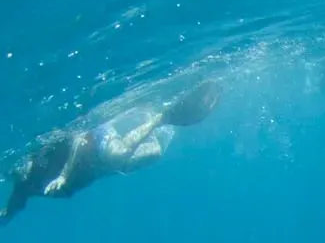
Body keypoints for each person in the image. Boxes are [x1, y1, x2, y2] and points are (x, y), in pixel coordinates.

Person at [0, 80, 222, 226]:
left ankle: (160, 118)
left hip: (96, 142)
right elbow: (10, 212)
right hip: (100, 168)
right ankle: (178, 116)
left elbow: (76, 140)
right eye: (14, 173)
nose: (18, 172)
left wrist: (64, 176)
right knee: (155, 153)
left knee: (118, 154)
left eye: (19, 168)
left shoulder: (43, 154)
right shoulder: (23, 187)